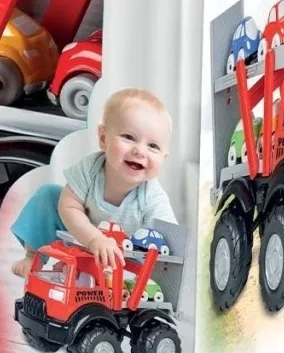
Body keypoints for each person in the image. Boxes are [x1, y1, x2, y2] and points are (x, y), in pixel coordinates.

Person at [11, 87, 177, 277]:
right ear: (104, 138)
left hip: (122, 256)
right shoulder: (90, 169)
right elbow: (68, 207)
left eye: (153, 146)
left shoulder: (153, 197)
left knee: (150, 251)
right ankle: (33, 255)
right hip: (79, 232)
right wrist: (93, 239)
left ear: (164, 158)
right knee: (48, 195)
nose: (140, 151)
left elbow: (169, 238)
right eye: (128, 137)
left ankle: (89, 270)